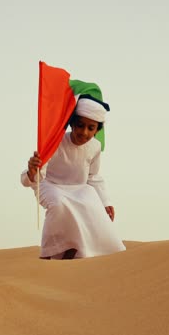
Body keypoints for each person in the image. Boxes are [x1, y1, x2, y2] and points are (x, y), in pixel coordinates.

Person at [21, 95, 126, 260]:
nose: (84, 132)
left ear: (97, 130)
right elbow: (36, 176)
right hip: (49, 184)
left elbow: (93, 176)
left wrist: (105, 202)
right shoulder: (54, 140)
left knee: (91, 201)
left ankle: (75, 249)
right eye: (80, 125)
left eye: (91, 128)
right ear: (71, 124)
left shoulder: (95, 146)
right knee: (58, 204)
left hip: (78, 188)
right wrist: (32, 171)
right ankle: (48, 254)